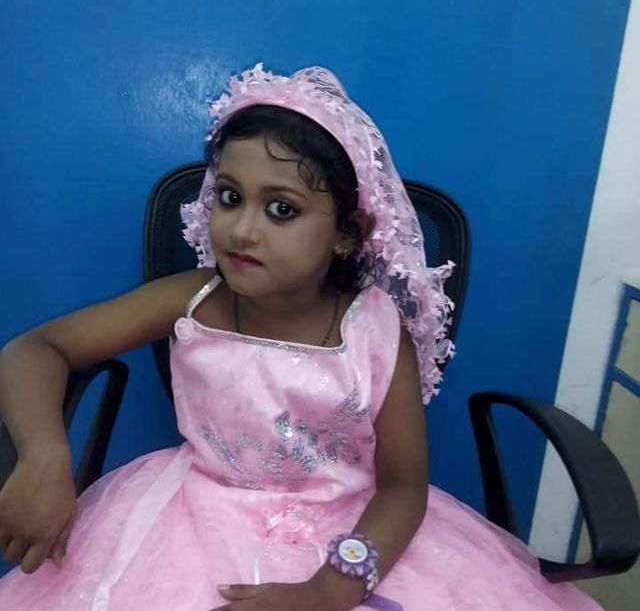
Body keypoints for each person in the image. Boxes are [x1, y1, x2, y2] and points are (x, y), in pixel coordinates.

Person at [0, 64, 602, 611]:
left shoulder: (375, 329)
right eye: (230, 197)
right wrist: (44, 456)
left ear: (347, 233)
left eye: (281, 209)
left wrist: (332, 589)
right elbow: (35, 349)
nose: (241, 229)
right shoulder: (191, 298)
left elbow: (402, 488)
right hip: (191, 517)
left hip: (351, 537)